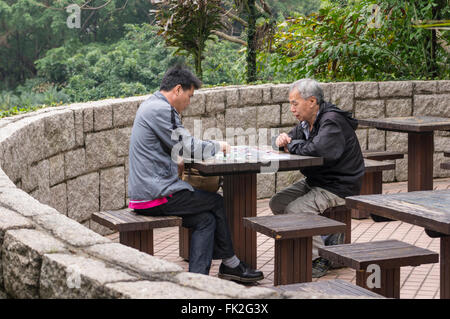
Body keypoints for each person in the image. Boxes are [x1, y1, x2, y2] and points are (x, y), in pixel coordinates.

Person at [128, 65, 263, 283]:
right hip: (155, 194)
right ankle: (231, 264)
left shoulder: (150, 105)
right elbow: (187, 147)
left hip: (146, 192)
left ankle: (197, 282)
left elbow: (176, 148)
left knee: (205, 219)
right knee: (216, 202)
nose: (189, 103)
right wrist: (218, 146)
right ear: (178, 89)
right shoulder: (161, 109)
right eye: (189, 96)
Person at [270, 78, 365, 278]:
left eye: (294, 103)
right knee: (278, 203)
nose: (291, 109)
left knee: (296, 209)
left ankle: (318, 258)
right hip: (317, 181)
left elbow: (319, 150)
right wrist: (279, 140)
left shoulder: (331, 121)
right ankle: (326, 239)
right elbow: (288, 139)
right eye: (290, 104)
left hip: (339, 185)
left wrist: (291, 145)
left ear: (312, 101)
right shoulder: (306, 123)